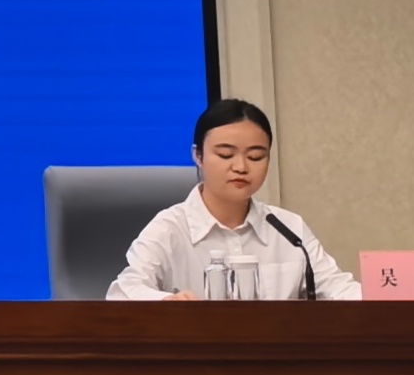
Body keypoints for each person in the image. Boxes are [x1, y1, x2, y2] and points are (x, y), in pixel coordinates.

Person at [108, 97, 359, 301]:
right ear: (198, 155)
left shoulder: (289, 229)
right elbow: (124, 291)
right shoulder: (170, 228)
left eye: (255, 157)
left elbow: (337, 288)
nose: (241, 167)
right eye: (226, 155)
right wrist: (167, 302)